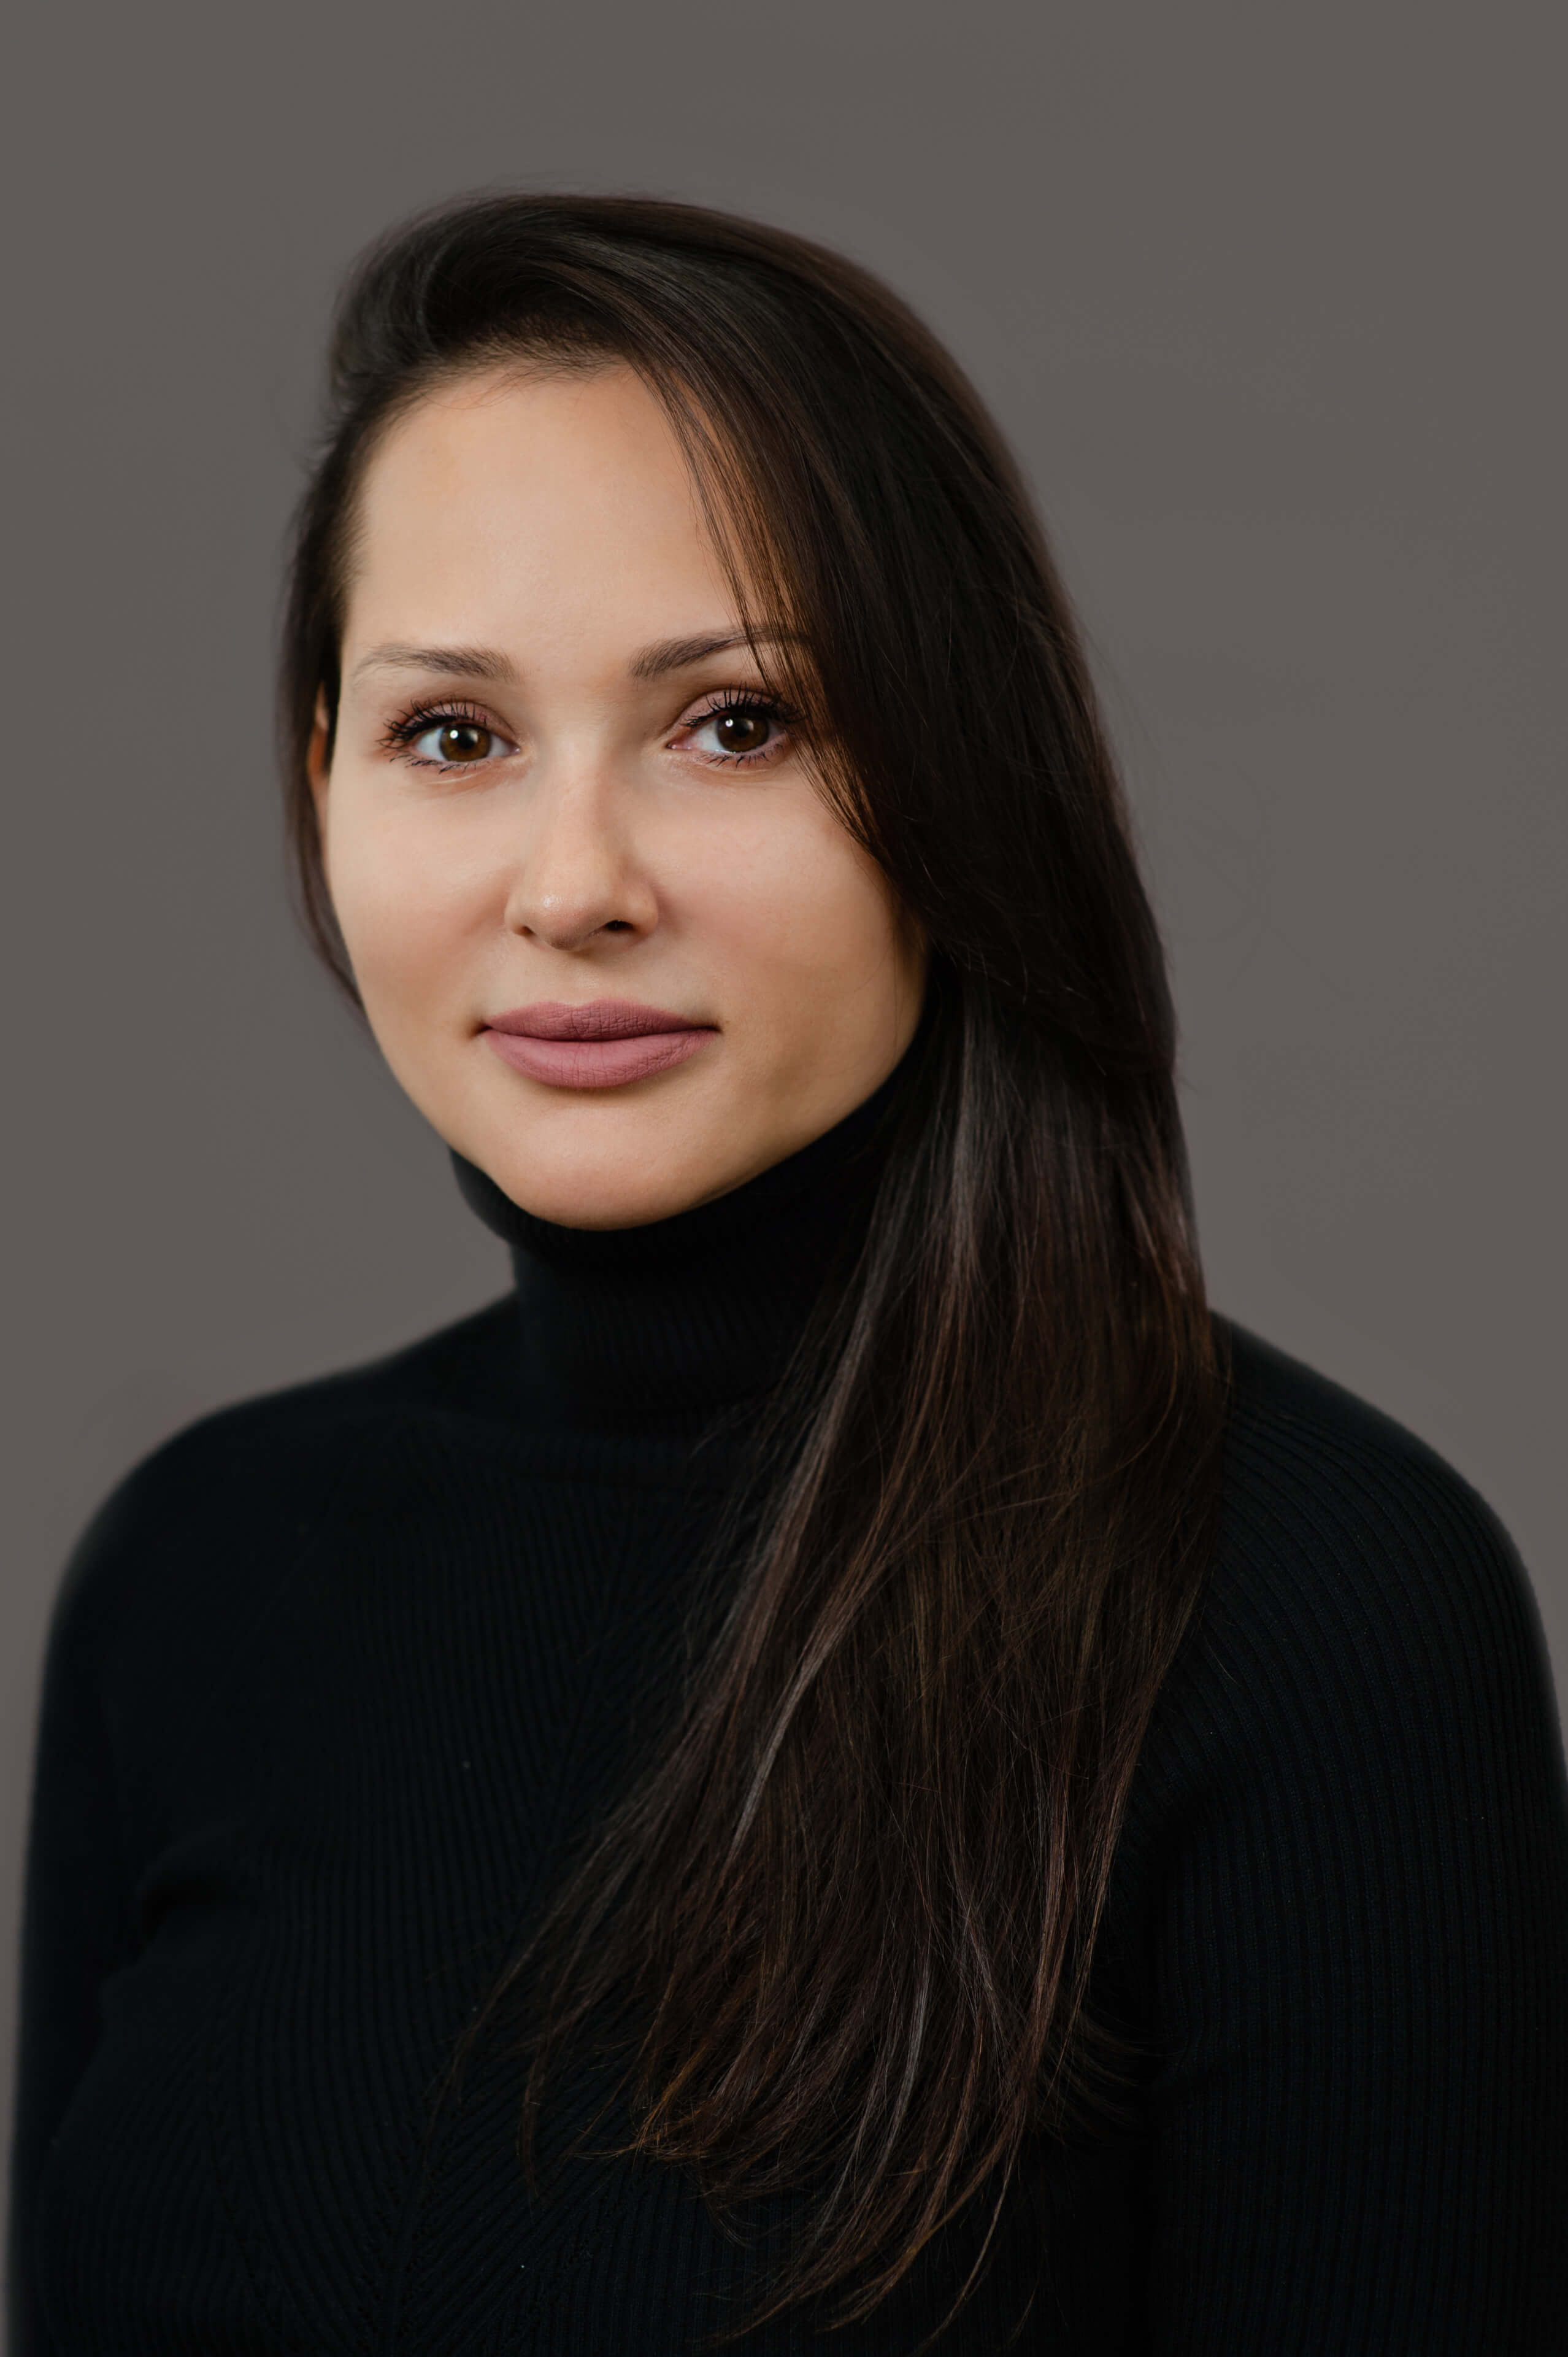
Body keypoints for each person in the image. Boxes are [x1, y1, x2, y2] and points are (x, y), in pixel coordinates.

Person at [9, 194, 1567, 2356]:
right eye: (452, 733)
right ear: (323, 781)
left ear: (959, 780)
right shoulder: (189, 1569)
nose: (574, 885)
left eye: (735, 722)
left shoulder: (1316, 1609)